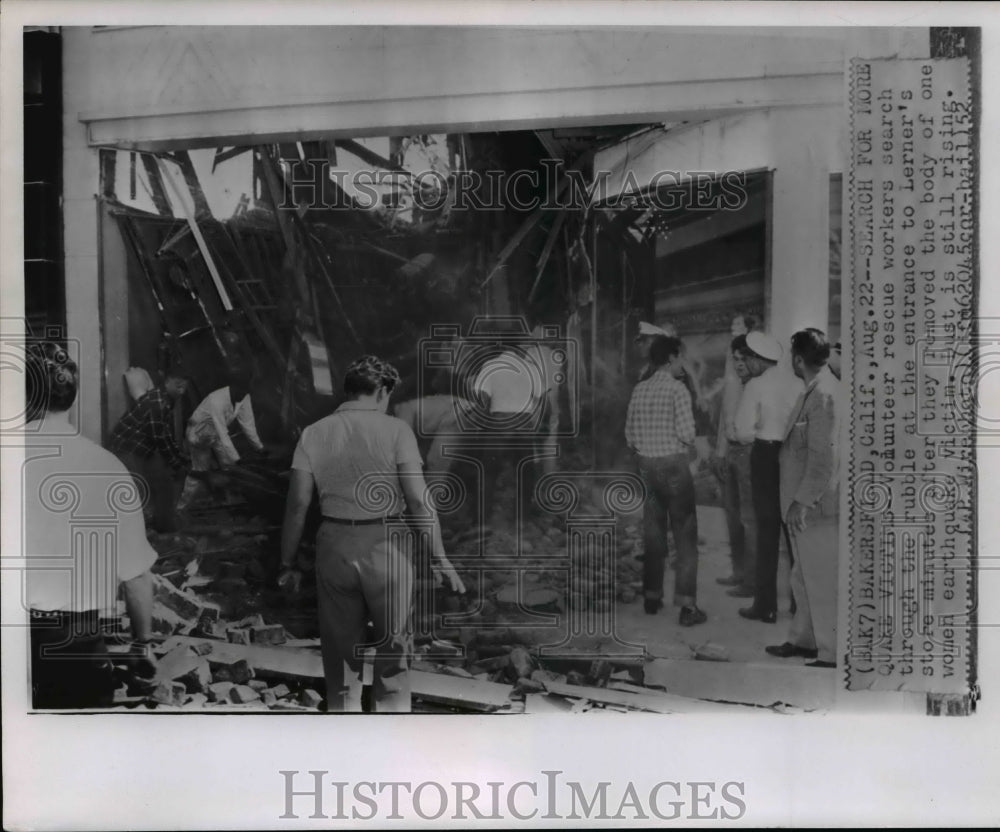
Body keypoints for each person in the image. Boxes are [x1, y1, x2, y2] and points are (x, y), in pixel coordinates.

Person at [278, 355, 465, 712]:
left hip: (334, 544)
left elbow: (298, 504)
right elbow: (418, 501)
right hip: (386, 546)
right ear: (381, 391)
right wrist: (440, 559)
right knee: (393, 649)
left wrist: (287, 562)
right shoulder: (396, 431)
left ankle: (344, 731)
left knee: (340, 652)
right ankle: (390, 731)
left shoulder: (314, 433)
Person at [23, 343, 158, 709]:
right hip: (75, 644)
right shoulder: (106, 466)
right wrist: (141, 643)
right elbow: (136, 576)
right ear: (73, 398)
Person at [766, 329, 841, 668]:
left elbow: (824, 458)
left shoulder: (824, 394)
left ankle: (830, 651)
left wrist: (803, 500)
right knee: (802, 575)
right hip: (804, 503)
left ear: (798, 359)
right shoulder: (815, 389)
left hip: (814, 506)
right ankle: (805, 640)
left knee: (820, 577)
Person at [625, 335, 705, 626]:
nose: (682, 363)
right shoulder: (677, 390)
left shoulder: (639, 389)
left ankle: (651, 597)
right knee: (684, 537)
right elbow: (687, 434)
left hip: (647, 466)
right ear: (671, 358)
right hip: (673, 466)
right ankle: (688, 607)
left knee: (653, 534)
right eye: (681, 358)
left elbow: (630, 436)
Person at [734, 331, 803, 623]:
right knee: (794, 533)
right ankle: (801, 606)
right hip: (793, 456)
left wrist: (761, 430)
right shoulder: (799, 383)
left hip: (765, 455)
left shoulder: (755, 386)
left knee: (767, 532)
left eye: (748, 359)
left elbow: (742, 432)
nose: (746, 364)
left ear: (758, 360)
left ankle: (766, 606)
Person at [471, 328, 559, 523]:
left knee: (489, 474)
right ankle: (523, 517)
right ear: (518, 346)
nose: (528, 347)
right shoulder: (531, 368)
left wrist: (482, 429)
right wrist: (543, 429)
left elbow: (481, 401)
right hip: (524, 427)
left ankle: (481, 520)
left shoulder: (490, 365)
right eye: (525, 344)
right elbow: (546, 404)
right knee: (525, 473)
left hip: (499, 425)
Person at [108, 372, 190, 533]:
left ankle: (165, 528)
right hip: (126, 448)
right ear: (167, 382)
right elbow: (159, 439)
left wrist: (181, 459)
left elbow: (166, 436)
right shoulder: (157, 403)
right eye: (178, 385)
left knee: (164, 481)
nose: (181, 391)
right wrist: (177, 464)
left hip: (142, 448)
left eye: (184, 387)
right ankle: (132, 536)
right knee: (137, 492)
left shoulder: (166, 401)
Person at [176, 372, 266, 512]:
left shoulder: (244, 396)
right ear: (233, 388)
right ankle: (181, 507)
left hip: (215, 434)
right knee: (200, 470)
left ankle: (226, 501)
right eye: (241, 392)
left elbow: (248, 424)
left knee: (229, 468)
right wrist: (237, 458)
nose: (243, 396)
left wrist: (259, 447)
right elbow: (223, 432)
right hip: (198, 434)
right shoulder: (216, 400)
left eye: (246, 393)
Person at [713, 334, 756, 597]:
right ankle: (738, 572)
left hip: (750, 455)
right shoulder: (731, 385)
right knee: (732, 518)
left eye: (743, 359)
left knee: (749, 520)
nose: (739, 364)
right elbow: (723, 422)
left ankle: (751, 581)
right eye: (735, 358)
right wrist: (720, 454)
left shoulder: (759, 386)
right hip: (730, 454)